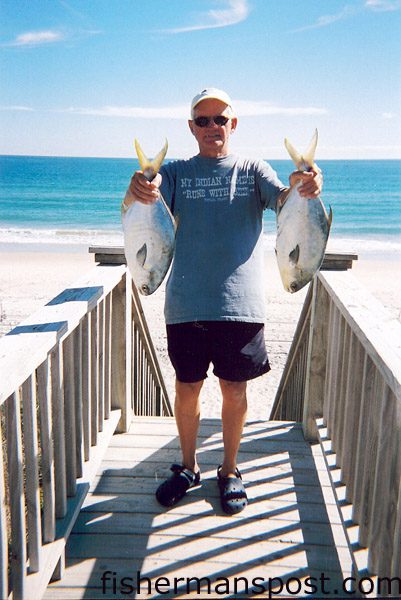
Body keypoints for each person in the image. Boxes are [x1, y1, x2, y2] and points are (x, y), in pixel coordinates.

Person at [123, 88, 322, 514]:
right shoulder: (174, 173)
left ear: (233, 124)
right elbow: (138, 209)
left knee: (234, 389)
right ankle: (188, 467)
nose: (212, 127)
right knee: (187, 387)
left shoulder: (252, 169)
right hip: (186, 302)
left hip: (241, 304)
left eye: (220, 119)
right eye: (202, 120)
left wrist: (307, 186)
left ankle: (230, 471)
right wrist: (136, 189)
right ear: (191, 127)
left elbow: (284, 201)